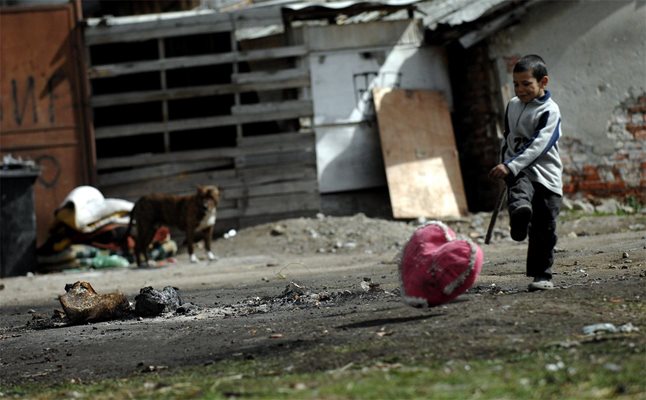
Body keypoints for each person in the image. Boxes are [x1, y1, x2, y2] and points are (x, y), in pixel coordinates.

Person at [489, 54, 563, 292]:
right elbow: (508, 138)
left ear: (543, 82)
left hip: (547, 175)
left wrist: (511, 164)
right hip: (519, 170)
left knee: (545, 227)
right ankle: (519, 216)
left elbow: (539, 145)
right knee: (520, 191)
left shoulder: (550, 111)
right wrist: (505, 164)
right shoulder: (512, 105)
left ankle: (542, 275)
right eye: (516, 84)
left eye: (526, 84)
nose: (520, 90)